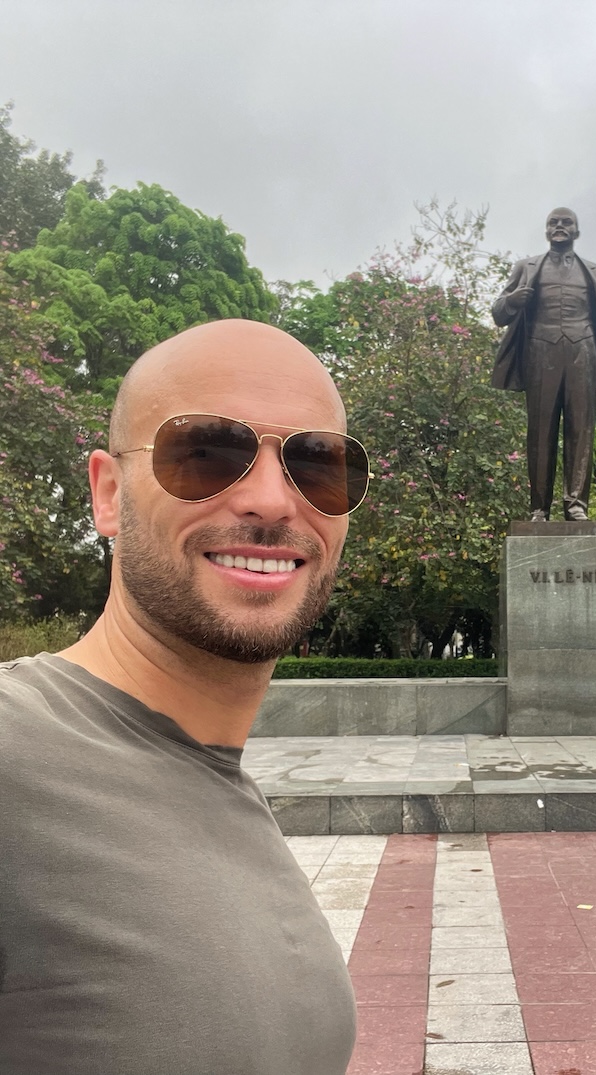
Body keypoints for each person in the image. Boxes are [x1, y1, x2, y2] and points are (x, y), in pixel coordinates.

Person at [0, 320, 372, 1074]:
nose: (272, 500)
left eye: (317, 463)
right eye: (205, 453)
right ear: (107, 494)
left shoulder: (219, 781)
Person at [491, 207, 596, 521]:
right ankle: (539, 508)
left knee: (580, 430)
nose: (559, 227)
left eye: (566, 222)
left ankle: (576, 505)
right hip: (540, 352)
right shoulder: (526, 268)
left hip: (583, 351)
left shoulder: (594, 271)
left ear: (576, 230)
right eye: (553, 223)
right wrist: (512, 301)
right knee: (540, 431)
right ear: (546, 231)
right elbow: (498, 314)